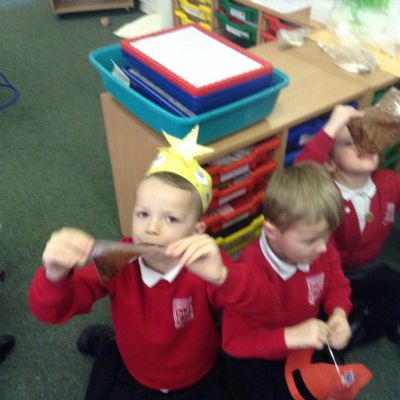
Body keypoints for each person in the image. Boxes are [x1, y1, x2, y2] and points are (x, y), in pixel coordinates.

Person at [28, 127, 274, 400]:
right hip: (135, 372)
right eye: (143, 214)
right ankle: (107, 346)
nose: (151, 228)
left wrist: (225, 277)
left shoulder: (206, 266)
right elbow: (51, 312)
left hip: (199, 373)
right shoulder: (117, 259)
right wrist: (55, 274)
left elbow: (264, 309)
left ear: (196, 231)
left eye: (171, 219)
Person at [222, 162, 352, 400]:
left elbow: (337, 285)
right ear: (272, 232)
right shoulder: (249, 275)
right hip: (260, 357)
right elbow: (234, 343)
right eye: (311, 240)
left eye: (327, 236)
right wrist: (290, 336)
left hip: (303, 342)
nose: (323, 247)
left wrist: (339, 314)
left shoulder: (318, 249)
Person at [296, 104, 400, 346]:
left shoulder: (387, 183)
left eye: (367, 138)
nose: (364, 146)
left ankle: (359, 327)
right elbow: (302, 174)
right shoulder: (324, 190)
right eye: (350, 143)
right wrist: (334, 125)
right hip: (325, 274)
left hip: (367, 268)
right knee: (310, 315)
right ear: (330, 162)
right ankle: (344, 333)